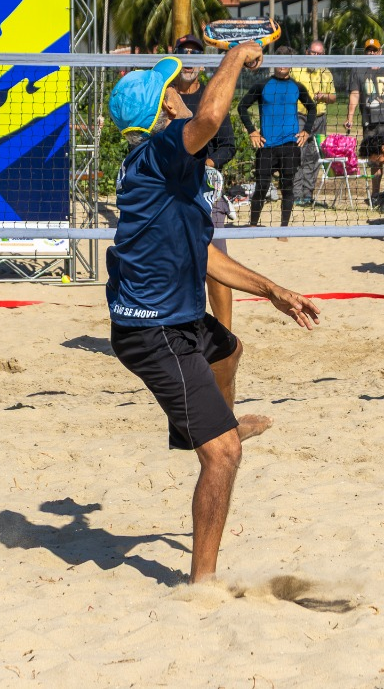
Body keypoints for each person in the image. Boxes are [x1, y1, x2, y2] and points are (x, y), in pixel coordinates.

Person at [104, 43, 320, 584]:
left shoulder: (168, 171)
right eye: (171, 87)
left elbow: (204, 257)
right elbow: (213, 116)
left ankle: (207, 426)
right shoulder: (159, 152)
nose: (180, 90)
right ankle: (202, 588)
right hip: (152, 330)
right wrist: (239, 54)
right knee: (222, 457)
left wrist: (272, 290)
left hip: (171, 316)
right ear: (159, 109)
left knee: (228, 346)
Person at [174, 34, 239, 331]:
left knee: (217, 267)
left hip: (205, 191)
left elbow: (228, 145)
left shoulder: (210, 97)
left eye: (194, 53)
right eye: (183, 52)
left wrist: (206, 165)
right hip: (170, 191)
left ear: (201, 62)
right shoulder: (164, 94)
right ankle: (178, 329)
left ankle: (225, 335)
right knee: (173, 267)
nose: (189, 58)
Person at [239, 64, 316, 232]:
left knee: (287, 187)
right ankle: (252, 225)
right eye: (279, 62)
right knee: (261, 187)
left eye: (286, 62)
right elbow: (242, 107)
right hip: (267, 146)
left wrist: (307, 131)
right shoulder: (262, 85)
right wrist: (252, 131)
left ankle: (283, 229)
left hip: (290, 145)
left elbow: (312, 107)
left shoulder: (296, 86)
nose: (282, 66)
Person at [346, 39, 384, 204]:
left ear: (380, 52)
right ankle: (375, 195)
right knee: (374, 159)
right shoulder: (358, 70)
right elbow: (355, 94)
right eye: (369, 51)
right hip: (370, 121)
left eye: (375, 50)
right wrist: (349, 117)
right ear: (365, 52)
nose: (371, 53)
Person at [289, 42, 339, 207]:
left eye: (319, 54)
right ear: (306, 52)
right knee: (298, 155)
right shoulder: (295, 70)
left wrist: (324, 96)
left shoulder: (326, 72)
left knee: (314, 156)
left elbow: (333, 97)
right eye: (313, 53)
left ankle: (307, 194)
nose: (315, 57)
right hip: (299, 116)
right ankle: (296, 194)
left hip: (319, 117)